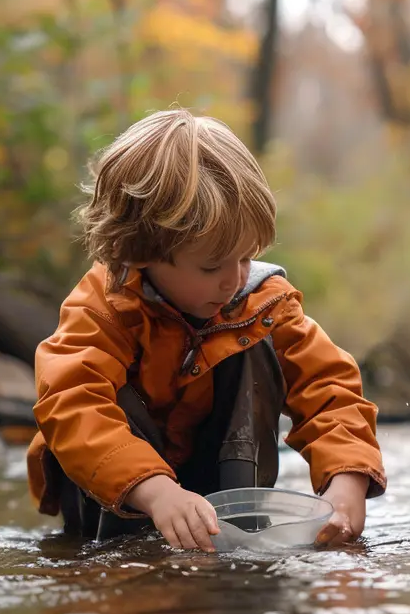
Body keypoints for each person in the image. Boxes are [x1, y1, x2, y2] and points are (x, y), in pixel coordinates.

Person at [25, 108, 385, 551]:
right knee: (91, 416)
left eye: (246, 257)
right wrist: (156, 491)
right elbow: (71, 402)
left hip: (225, 492)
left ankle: (240, 529)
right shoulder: (102, 308)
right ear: (141, 251)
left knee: (257, 346)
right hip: (114, 502)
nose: (234, 280)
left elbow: (330, 389)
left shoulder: (263, 304)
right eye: (212, 266)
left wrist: (347, 481)